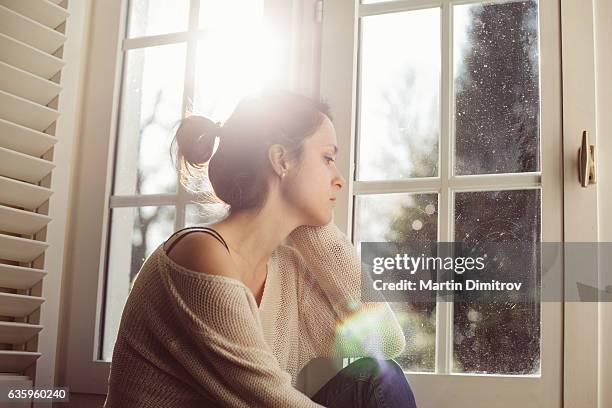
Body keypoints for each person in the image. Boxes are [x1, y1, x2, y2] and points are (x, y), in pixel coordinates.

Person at [103, 90, 417, 407]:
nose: (339, 179)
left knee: (379, 376)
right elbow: (272, 401)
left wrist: (315, 229)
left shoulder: (288, 270)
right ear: (281, 160)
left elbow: (385, 340)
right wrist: (304, 208)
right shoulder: (200, 254)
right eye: (327, 158)